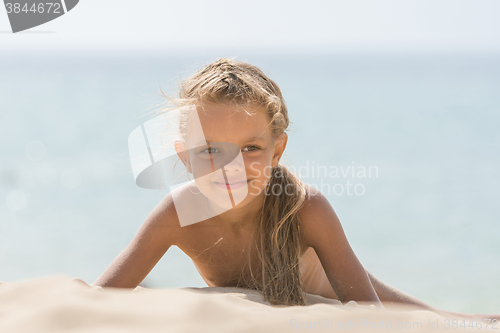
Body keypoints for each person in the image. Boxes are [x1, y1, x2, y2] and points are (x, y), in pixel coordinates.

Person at [78, 58, 497, 320]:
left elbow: (370, 316)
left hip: (331, 287)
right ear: (183, 156)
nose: (231, 168)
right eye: (209, 151)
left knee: (442, 321)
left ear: (278, 149)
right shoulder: (177, 214)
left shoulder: (306, 208)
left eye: (251, 148)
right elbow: (96, 300)